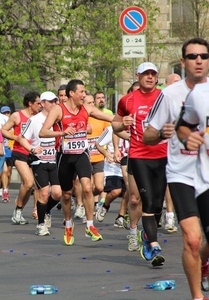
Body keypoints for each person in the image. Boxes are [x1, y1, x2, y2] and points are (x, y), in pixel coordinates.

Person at [147, 37, 209, 300]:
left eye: (204, 56)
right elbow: (147, 135)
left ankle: (204, 263)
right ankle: (197, 297)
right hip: (182, 174)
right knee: (193, 239)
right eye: (192, 56)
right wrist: (163, 133)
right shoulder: (170, 95)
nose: (198, 61)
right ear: (182, 62)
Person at [39, 79, 113, 244]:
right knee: (66, 194)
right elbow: (42, 132)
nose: (84, 95)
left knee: (87, 188)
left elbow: (109, 117)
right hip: (65, 156)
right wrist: (62, 133)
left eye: (85, 92)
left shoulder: (86, 108)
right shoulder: (59, 110)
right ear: (71, 93)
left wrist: (123, 120)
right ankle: (68, 224)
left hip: (81, 154)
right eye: (81, 92)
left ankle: (89, 225)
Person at [112, 62, 167, 267]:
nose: (150, 77)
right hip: (139, 155)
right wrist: (122, 124)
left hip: (162, 155)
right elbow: (115, 124)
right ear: (138, 76)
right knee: (147, 200)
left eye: (153, 74)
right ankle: (153, 244)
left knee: (158, 202)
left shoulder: (165, 97)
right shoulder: (128, 100)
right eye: (146, 74)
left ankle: (147, 234)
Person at [18, 91, 61, 236]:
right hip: (39, 162)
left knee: (57, 194)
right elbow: (21, 138)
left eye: (55, 101)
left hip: (54, 161)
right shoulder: (34, 120)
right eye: (51, 102)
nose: (54, 104)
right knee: (43, 193)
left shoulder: (58, 120)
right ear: (42, 104)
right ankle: (41, 225)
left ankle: (46, 210)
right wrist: (32, 149)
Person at [1, 92, 41, 225]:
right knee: (29, 182)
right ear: (30, 103)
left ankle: (18, 211)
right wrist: (15, 137)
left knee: (31, 187)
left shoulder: (39, 117)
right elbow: (4, 130)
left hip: (34, 153)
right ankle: (18, 210)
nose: (40, 106)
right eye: (38, 103)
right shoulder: (17, 116)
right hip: (20, 153)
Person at [0, 106, 13, 203]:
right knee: (4, 171)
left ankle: (6, 188)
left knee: (8, 173)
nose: (6, 115)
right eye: (4, 113)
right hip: (2, 149)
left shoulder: (13, 124)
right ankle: (4, 191)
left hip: (10, 150)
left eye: (8, 113)